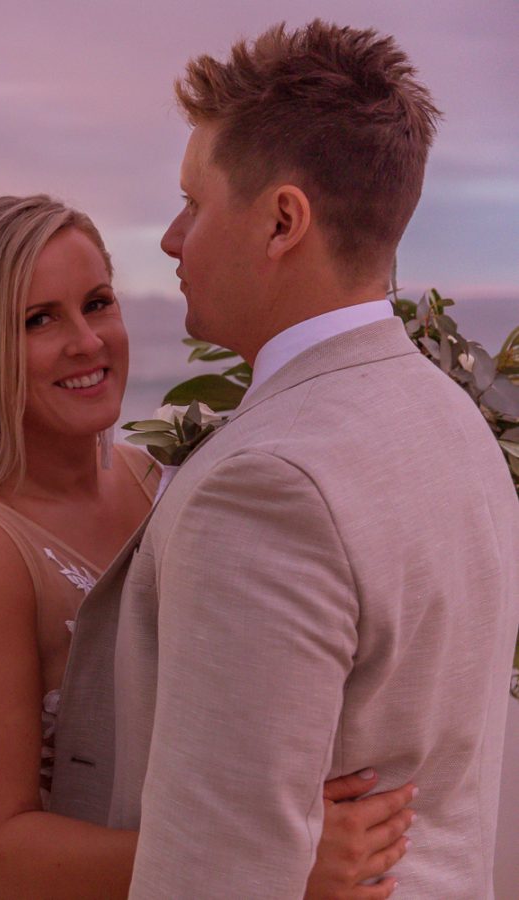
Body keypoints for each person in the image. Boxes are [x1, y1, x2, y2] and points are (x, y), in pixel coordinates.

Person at [48, 21, 519, 898]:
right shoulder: (455, 425)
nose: (172, 238)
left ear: (281, 221)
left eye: (194, 203)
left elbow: (215, 874)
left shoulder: (269, 485)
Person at [0, 194, 415, 899]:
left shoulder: (166, 477)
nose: (86, 342)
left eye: (97, 304)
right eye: (38, 320)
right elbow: (1, 855)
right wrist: (274, 862)